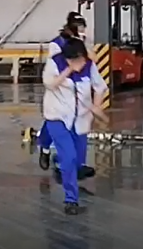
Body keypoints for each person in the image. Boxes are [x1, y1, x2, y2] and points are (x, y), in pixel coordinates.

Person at [42, 38, 107, 215]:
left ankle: (59, 161)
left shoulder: (89, 66)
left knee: (76, 161)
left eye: (81, 60)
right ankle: (71, 200)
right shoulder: (54, 63)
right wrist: (69, 70)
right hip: (58, 117)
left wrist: (97, 105)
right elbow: (49, 84)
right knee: (69, 157)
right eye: (75, 60)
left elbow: (100, 87)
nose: (80, 64)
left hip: (80, 120)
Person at [38, 12, 100, 180]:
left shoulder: (82, 42)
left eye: (84, 27)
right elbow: (55, 66)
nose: (83, 31)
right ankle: (45, 148)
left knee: (78, 127)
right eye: (79, 27)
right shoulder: (57, 44)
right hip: (61, 88)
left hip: (78, 87)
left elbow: (91, 58)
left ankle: (76, 164)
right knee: (55, 123)